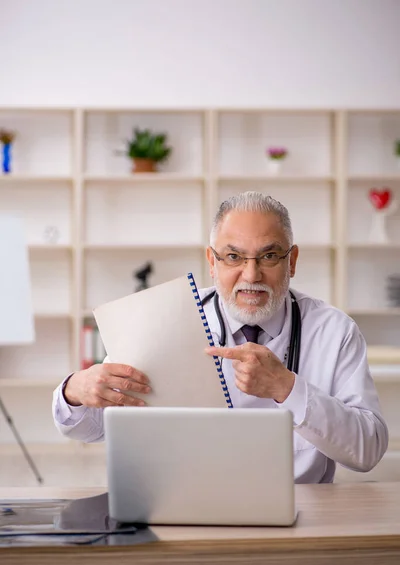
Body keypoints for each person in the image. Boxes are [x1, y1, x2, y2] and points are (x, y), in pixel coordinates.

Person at [52, 191, 388, 483]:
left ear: (293, 260)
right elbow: (87, 429)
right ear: (212, 262)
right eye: (233, 257)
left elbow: (368, 450)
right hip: (184, 508)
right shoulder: (161, 320)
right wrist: (75, 391)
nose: (251, 274)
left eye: (269, 256)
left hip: (303, 514)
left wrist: (288, 388)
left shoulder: (334, 331)